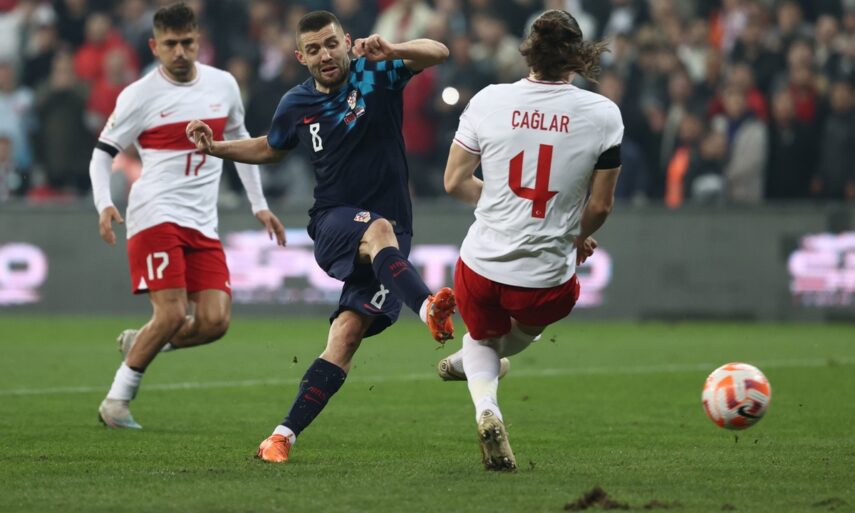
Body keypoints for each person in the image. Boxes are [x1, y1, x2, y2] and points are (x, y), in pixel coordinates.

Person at [186, 10, 454, 463]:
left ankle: (280, 437)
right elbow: (270, 147)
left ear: (347, 42)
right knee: (377, 228)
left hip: (392, 235)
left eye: (331, 44)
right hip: (333, 221)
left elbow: (439, 52)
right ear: (301, 57)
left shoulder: (377, 72)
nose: (325, 55)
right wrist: (215, 148)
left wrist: (394, 48)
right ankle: (428, 307)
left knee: (346, 336)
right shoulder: (296, 103)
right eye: (313, 49)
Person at [438, 9, 623, 471]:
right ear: (578, 56)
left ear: (528, 53)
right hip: (544, 278)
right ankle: (477, 366)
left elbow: (454, 181)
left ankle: (485, 404)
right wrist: (576, 235)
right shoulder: (603, 114)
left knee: (482, 340)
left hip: (479, 266)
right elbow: (600, 207)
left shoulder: (489, 100)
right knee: (514, 335)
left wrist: (504, 204)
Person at [89, 3, 285, 429]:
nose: (179, 52)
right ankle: (116, 401)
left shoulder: (223, 84)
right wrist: (104, 202)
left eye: (187, 43)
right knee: (173, 314)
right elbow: (102, 153)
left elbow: (242, 144)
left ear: (199, 41)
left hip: (202, 220)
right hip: (154, 212)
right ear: (154, 46)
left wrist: (259, 204)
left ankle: (144, 340)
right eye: (171, 44)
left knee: (215, 322)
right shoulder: (139, 94)